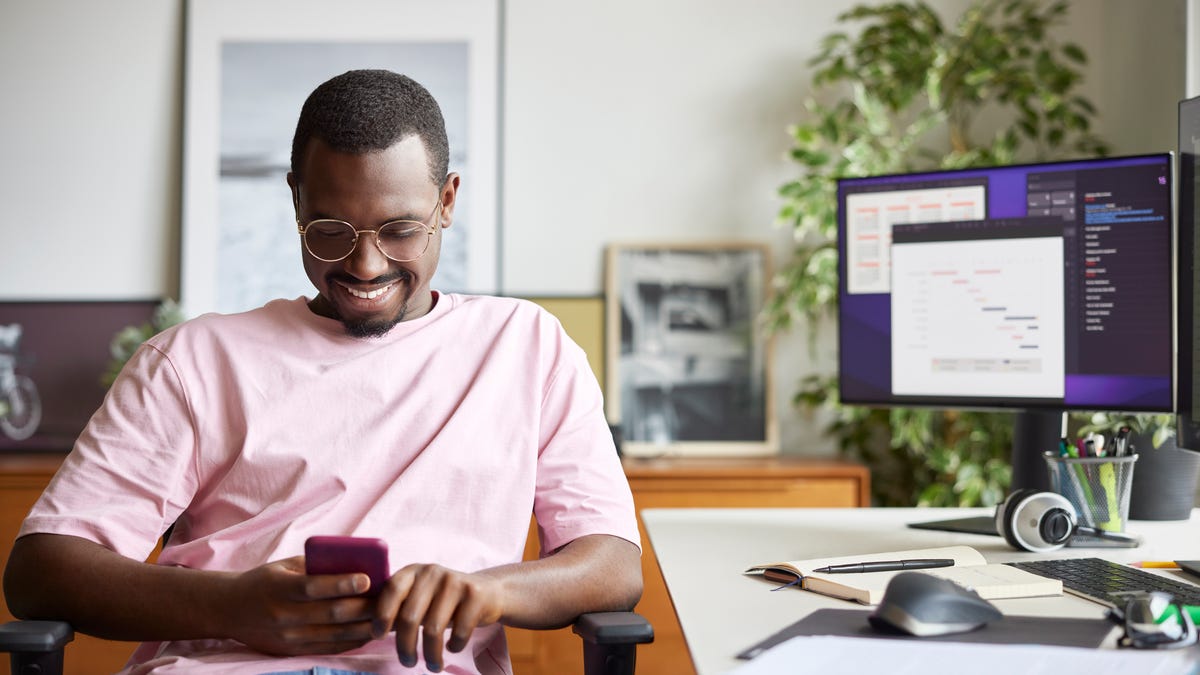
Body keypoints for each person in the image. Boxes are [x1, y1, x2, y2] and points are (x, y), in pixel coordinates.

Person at [3, 69, 642, 675]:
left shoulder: (527, 348)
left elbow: (612, 564)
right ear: (296, 201)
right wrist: (230, 607)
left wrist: (485, 590)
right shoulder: (192, 361)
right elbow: (41, 569)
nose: (366, 265)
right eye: (331, 231)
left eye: (399, 229)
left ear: (447, 202)